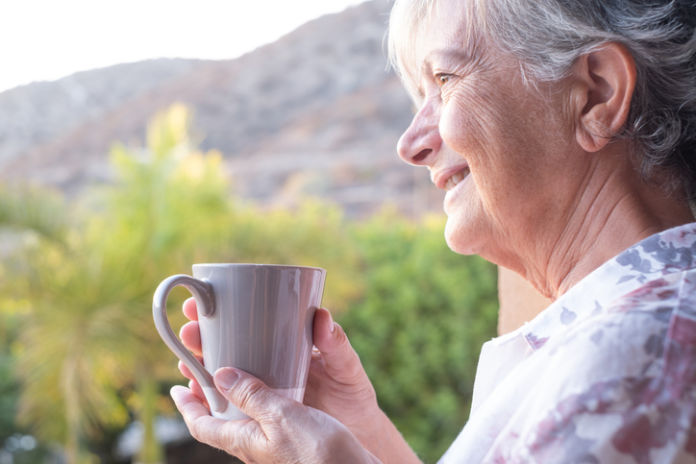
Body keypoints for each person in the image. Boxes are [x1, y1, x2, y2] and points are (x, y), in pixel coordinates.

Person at [169, 0, 696, 462]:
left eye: (445, 80)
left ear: (596, 93)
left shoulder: (637, 360)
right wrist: (361, 433)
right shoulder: (618, 336)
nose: (411, 143)